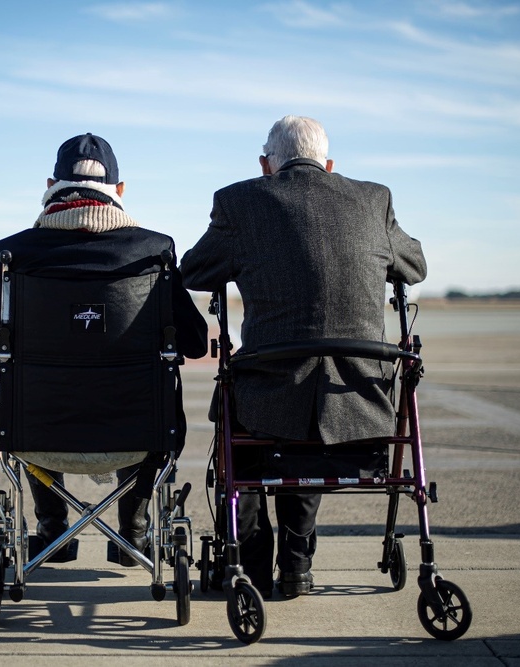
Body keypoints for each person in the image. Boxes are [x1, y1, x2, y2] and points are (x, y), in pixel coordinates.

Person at [180, 115, 427, 597]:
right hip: (358, 399)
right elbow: (414, 265)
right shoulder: (374, 199)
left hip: (269, 391)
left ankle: (250, 562)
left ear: (266, 165)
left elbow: (193, 270)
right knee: (310, 427)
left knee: (245, 423)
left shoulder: (239, 201)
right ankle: (295, 562)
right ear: (329, 164)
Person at [0, 133, 208, 564]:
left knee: (31, 396)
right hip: (139, 432)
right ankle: (133, 534)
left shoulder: (11, 254)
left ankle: (52, 530)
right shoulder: (156, 252)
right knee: (151, 401)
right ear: (119, 191)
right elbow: (193, 341)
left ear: (50, 185)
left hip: (35, 431)